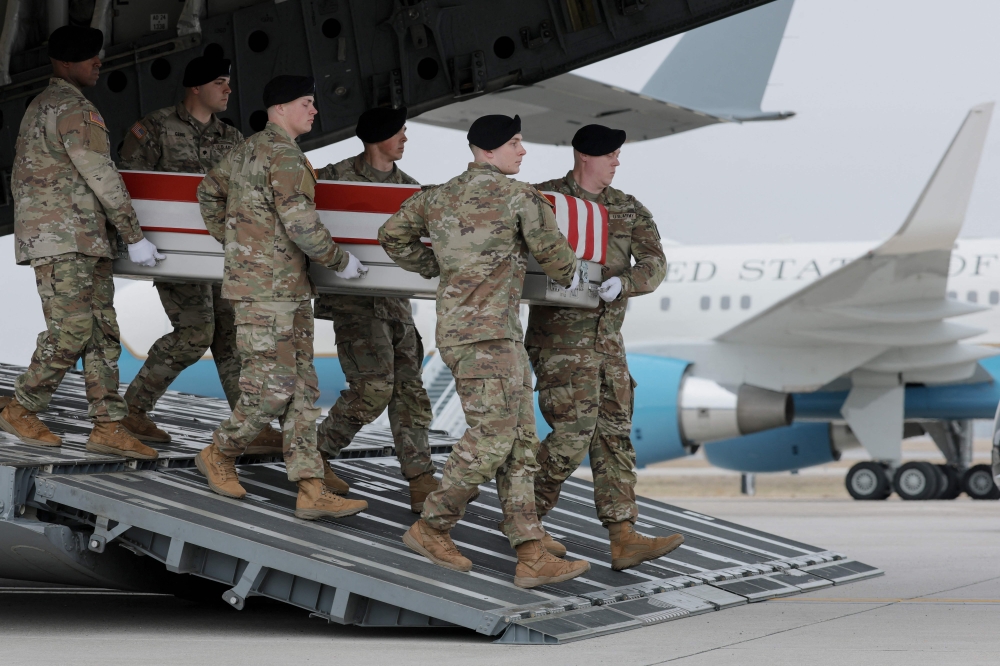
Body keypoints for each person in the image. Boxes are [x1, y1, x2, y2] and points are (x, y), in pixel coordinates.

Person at [379, 114, 590, 589]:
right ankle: (432, 526)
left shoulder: (437, 196)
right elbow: (557, 260)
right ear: (490, 150)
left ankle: (530, 550)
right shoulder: (519, 197)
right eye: (516, 143)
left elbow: (391, 235)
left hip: (468, 333)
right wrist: (579, 275)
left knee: (517, 443)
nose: (523, 151)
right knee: (493, 438)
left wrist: (439, 266)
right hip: (490, 338)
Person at [196, 74, 368, 520]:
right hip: (269, 290)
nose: (314, 111)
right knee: (272, 388)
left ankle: (310, 487)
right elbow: (301, 225)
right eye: (307, 103)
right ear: (280, 109)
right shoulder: (284, 156)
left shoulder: (246, 150)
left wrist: (239, 242)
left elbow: (208, 191)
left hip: (278, 287)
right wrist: (339, 260)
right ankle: (219, 451)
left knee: (302, 388)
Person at [0, 25, 163, 459]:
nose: (99, 63)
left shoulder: (43, 106)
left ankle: (108, 425)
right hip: (65, 238)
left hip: (78, 238)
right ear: (66, 63)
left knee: (102, 335)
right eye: (91, 57)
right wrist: (135, 235)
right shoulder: (72, 108)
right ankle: (23, 406)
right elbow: (100, 175)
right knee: (72, 330)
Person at [527, 124, 684, 571]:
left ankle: (623, 537)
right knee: (572, 435)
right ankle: (525, 521)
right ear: (586, 156)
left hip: (608, 344)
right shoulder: (545, 200)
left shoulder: (628, 209)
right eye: (611, 154)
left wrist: (627, 282)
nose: (617, 161)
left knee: (613, 437)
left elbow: (655, 263)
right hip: (560, 343)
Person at [117, 56, 284, 452]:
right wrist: (137, 242)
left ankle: (249, 425)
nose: (228, 90)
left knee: (231, 338)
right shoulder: (154, 128)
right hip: (175, 255)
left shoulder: (231, 137)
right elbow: (130, 184)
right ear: (196, 87)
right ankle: (132, 410)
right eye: (220, 82)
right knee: (195, 333)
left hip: (222, 256)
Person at [313, 107, 437, 512]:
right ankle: (315, 457)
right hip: (354, 303)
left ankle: (420, 480)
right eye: (399, 132)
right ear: (376, 137)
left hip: (396, 306)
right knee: (372, 389)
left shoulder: (411, 190)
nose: (405, 138)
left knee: (410, 392)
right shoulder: (331, 179)